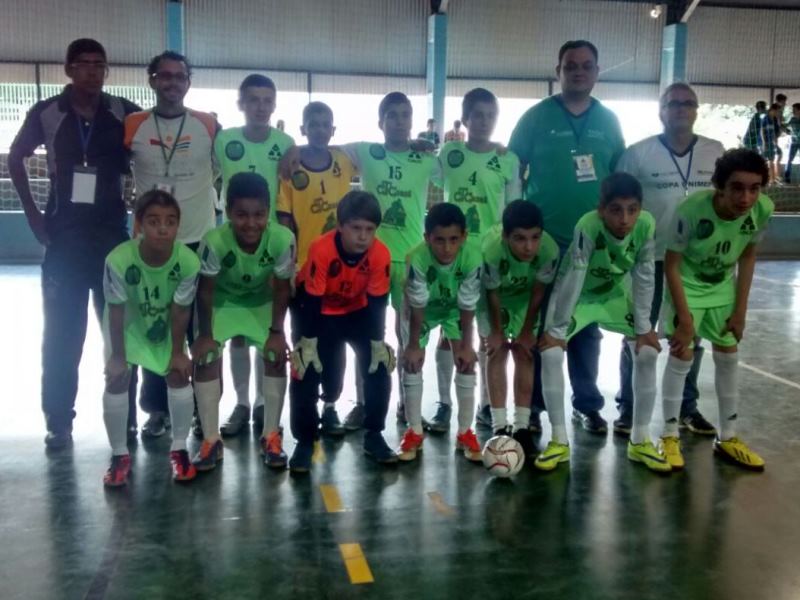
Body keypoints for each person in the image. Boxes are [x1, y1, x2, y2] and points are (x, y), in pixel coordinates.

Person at [8, 38, 140, 449]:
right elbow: (16, 156)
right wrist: (32, 213)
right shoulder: (48, 112)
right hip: (64, 240)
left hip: (111, 239)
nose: (92, 72)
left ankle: (128, 418)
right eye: (83, 64)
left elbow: (158, 148)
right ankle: (59, 421)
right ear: (68, 69)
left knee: (120, 334)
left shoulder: (124, 112)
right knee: (63, 335)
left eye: (99, 65)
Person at [509, 40, 626, 434]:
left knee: (586, 325)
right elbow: (513, 170)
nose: (578, 71)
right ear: (558, 70)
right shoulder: (534, 118)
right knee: (542, 321)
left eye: (586, 65)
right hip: (543, 240)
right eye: (570, 65)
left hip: (592, 240)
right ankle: (537, 406)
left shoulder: (609, 121)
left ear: (596, 72)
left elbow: (617, 177)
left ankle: (587, 403)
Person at [613, 82, 724, 437]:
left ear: (696, 110)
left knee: (689, 335)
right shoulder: (637, 154)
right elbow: (618, 205)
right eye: (673, 103)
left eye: (688, 103)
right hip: (649, 259)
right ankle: (630, 407)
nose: (681, 109)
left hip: (696, 263)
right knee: (637, 333)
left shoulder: (715, 151)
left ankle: (686, 408)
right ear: (661, 110)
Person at [537, 173, 667, 473]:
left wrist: (645, 327)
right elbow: (574, 275)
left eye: (632, 209)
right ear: (601, 209)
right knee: (550, 352)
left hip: (614, 295)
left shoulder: (646, 225)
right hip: (579, 296)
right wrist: (557, 331)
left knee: (647, 352)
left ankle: (640, 440)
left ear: (640, 209)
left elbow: (645, 275)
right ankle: (558, 440)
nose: (624, 218)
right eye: (616, 210)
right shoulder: (588, 225)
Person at [659, 148, 773, 471]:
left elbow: (748, 256)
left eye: (755, 188)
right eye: (737, 187)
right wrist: (683, 318)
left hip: (722, 285)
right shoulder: (690, 211)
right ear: (719, 187)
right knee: (682, 353)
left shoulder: (763, 209)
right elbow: (671, 266)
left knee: (728, 353)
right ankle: (668, 435)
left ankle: (729, 437)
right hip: (687, 284)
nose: (746, 197)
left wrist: (741, 310)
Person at [125, 50, 219, 438]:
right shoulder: (131, 125)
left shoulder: (208, 125)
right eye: (164, 76)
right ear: (152, 80)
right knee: (156, 326)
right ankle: (157, 409)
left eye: (179, 76)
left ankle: (200, 406)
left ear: (188, 82)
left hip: (198, 241)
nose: (172, 82)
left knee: (199, 328)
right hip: (152, 245)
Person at [335, 92, 438, 429]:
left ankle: (408, 407)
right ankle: (363, 404)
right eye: (391, 115)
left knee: (409, 336)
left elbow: (464, 163)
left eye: (404, 115)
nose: (398, 121)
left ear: (412, 121)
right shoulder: (366, 151)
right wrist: (295, 151)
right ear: (380, 122)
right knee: (367, 335)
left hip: (410, 261)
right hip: (370, 259)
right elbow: (327, 150)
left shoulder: (426, 158)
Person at [427, 87, 521, 433]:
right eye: (477, 115)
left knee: (485, 332)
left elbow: (513, 209)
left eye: (490, 115)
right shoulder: (450, 153)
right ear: (465, 119)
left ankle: (485, 403)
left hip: (491, 256)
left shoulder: (507, 159)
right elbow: (425, 169)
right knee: (448, 331)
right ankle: (443, 404)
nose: (483, 121)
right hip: (451, 255)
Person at [190, 172, 294, 470]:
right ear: (228, 212)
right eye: (241, 215)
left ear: (268, 212)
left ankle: (271, 435)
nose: (251, 223)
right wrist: (205, 334)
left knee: (275, 355)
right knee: (207, 356)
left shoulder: (282, 239)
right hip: (225, 302)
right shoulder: (213, 241)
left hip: (261, 302)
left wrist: (277, 331)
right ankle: (211, 440)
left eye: (259, 215)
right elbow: (206, 291)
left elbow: (283, 287)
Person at [288, 191, 398, 472]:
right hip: (315, 310)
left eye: (369, 230)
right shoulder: (321, 249)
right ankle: (304, 440)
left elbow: (377, 303)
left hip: (357, 310)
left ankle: (374, 434)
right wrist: (308, 342)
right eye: (356, 228)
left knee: (379, 365)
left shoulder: (380, 253)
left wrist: (378, 342)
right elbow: (311, 299)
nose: (363, 237)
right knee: (306, 369)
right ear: (340, 226)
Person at [213, 74, 295, 436]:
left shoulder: (286, 142)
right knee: (237, 336)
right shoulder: (224, 141)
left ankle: (264, 404)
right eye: (253, 100)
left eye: (267, 100)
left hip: (269, 243)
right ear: (241, 104)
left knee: (268, 329)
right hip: (234, 242)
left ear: (274, 105)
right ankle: (242, 403)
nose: (260, 107)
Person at [101, 190, 200, 486]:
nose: (162, 228)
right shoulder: (118, 260)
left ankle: (179, 448)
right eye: (154, 221)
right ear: (140, 224)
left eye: (170, 221)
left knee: (179, 373)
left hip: (164, 325)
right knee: (117, 378)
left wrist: (178, 352)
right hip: (127, 329)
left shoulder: (188, 262)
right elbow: (116, 310)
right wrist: (118, 357)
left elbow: (181, 311)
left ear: (178, 226)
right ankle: (119, 455)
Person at [277, 101, 356, 437]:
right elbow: (284, 219)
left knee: (334, 343)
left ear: (334, 131)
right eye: (314, 123)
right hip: (306, 273)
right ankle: (305, 409)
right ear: (303, 128)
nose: (320, 129)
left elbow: (381, 150)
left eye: (326, 124)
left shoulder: (342, 160)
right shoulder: (291, 169)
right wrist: (292, 264)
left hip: (340, 273)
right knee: (303, 342)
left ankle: (331, 405)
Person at [399, 203, 482, 463]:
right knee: (412, 363)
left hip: (455, 309)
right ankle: (413, 432)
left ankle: (465, 432)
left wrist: (467, 345)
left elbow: (468, 304)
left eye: (454, 240)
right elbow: (418, 304)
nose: (447, 248)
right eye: (439, 240)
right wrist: (413, 345)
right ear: (427, 239)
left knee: (467, 362)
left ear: (464, 237)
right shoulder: (417, 258)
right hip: (420, 310)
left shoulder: (473, 257)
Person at [480, 200, 559, 458]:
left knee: (525, 353)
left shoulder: (550, 251)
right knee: (497, 351)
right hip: (496, 298)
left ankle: (523, 428)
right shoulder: (491, 251)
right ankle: (499, 426)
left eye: (535, 238)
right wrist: (497, 331)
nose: (529, 247)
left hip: (525, 298)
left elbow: (538, 291)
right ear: (505, 236)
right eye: (520, 239)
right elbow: (492, 293)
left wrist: (527, 331)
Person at [784, 103, 800, 183]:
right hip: (794, 142)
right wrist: (787, 131)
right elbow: (785, 126)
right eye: (792, 110)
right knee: (789, 159)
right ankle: (787, 177)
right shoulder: (792, 119)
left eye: (795, 110)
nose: (793, 111)